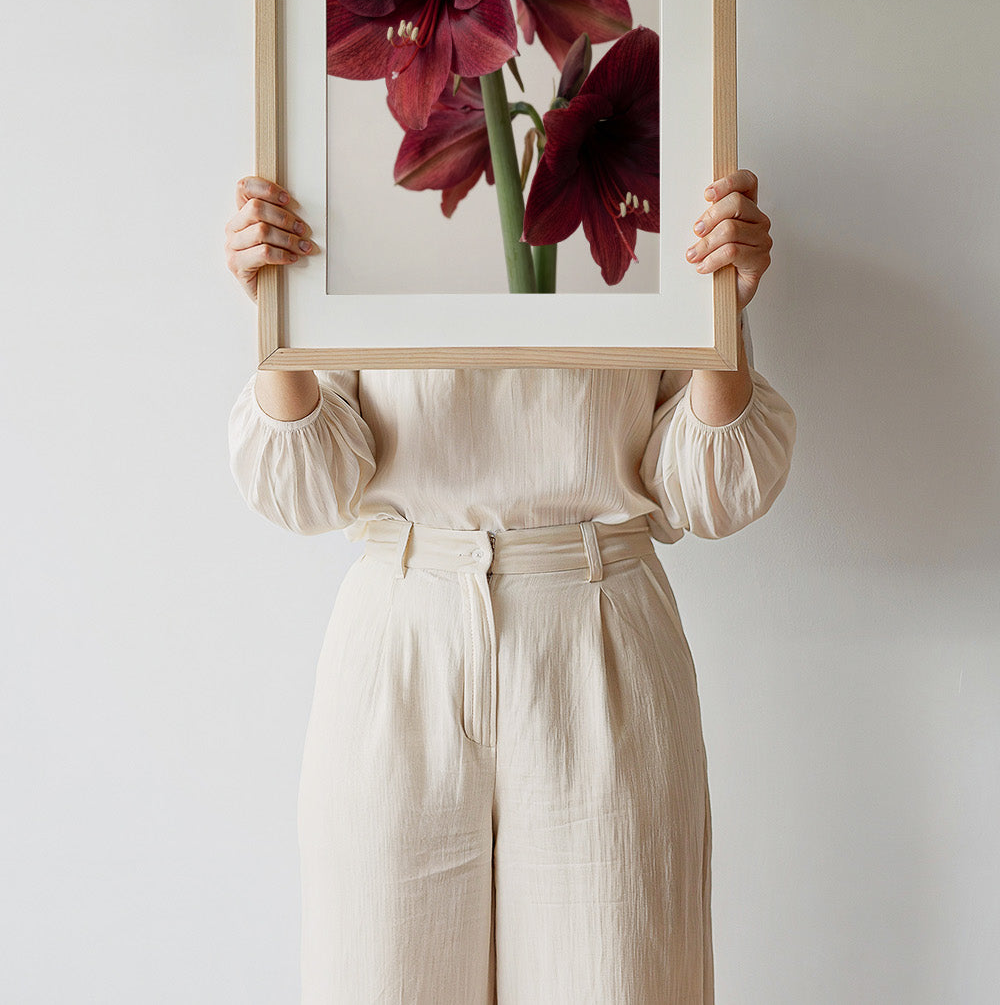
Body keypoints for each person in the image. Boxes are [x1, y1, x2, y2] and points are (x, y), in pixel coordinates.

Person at [226, 169, 795, 1005]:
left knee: (618, 981)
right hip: (400, 633)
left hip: (600, 622)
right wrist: (279, 317)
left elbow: (709, 490)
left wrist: (722, 314)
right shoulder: (364, 172)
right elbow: (309, 487)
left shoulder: (660, 181)